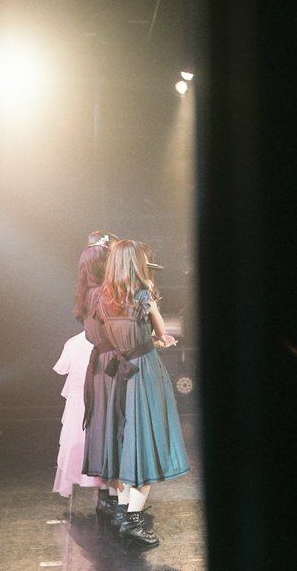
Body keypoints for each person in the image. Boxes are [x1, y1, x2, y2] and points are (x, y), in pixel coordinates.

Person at [92, 239, 190, 549]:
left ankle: (124, 513)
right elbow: (161, 331)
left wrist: (143, 341)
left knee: (126, 443)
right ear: (136, 264)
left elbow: (118, 337)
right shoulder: (143, 295)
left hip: (122, 374)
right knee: (148, 443)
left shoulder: (102, 300)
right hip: (144, 374)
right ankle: (132, 521)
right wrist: (158, 337)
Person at [52, 231, 118, 510]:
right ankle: (106, 487)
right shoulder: (103, 293)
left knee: (93, 417)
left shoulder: (88, 290)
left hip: (93, 349)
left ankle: (103, 487)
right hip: (103, 350)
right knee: (103, 417)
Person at [52, 331, 102, 497]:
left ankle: (102, 487)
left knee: (81, 439)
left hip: (87, 396)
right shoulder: (83, 341)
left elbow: (63, 368)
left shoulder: (75, 342)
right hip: (86, 397)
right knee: (86, 439)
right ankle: (103, 487)